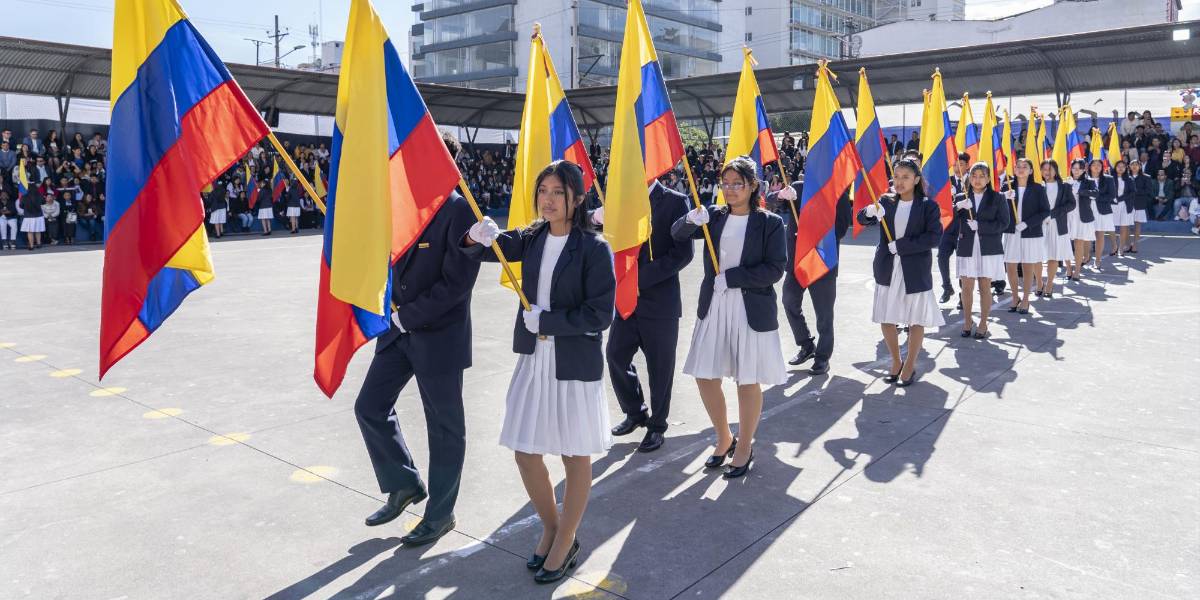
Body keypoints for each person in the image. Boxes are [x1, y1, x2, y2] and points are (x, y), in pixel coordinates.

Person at [462, 160, 615, 584]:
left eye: (557, 193)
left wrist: (549, 321)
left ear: (578, 199)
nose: (547, 200)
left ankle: (565, 539)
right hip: (534, 358)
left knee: (573, 453)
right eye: (543, 191)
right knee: (526, 452)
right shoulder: (531, 238)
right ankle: (551, 525)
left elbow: (600, 314)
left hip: (572, 362)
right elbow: (485, 248)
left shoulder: (595, 248)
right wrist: (476, 234)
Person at [353, 134, 482, 548]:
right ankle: (404, 483)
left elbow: (456, 285)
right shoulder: (399, 204)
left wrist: (406, 316)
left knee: (445, 429)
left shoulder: (459, 211)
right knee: (369, 406)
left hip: (436, 336)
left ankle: (440, 514)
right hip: (397, 333)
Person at [672, 156, 787, 479]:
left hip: (750, 308)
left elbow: (775, 269)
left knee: (747, 379)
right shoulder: (715, 217)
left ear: (752, 186)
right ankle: (724, 436)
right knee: (705, 375)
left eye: (738, 184)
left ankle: (744, 445)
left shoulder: (770, 223)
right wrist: (691, 219)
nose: (730, 190)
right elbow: (678, 234)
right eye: (726, 184)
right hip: (715, 306)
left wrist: (734, 278)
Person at [596, 178, 693, 453]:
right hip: (626, 300)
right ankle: (636, 412)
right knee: (615, 354)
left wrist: (640, 278)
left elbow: (682, 254)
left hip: (660, 302)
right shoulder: (620, 201)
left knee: (660, 369)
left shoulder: (675, 201)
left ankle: (657, 426)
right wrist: (596, 218)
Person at [857, 158, 944, 385]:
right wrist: (867, 212)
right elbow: (863, 219)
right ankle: (896, 361)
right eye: (896, 177)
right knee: (886, 317)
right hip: (888, 267)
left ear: (916, 180)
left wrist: (903, 246)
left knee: (916, 319)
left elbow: (934, 237)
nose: (900, 182)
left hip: (914, 270)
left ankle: (910, 365)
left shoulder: (927, 206)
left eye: (905, 177)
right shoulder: (886, 201)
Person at [767, 177, 851, 375]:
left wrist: (812, 230)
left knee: (824, 314)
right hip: (798, 261)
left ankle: (823, 358)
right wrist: (780, 195)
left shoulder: (839, 195)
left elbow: (841, 228)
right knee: (789, 301)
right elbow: (769, 201)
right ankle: (806, 345)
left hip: (823, 261)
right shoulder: (799, 187)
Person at [954, 162, 1009, 338]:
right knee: (967, 287)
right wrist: (958, 207)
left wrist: (981, 226)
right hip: (967, 247)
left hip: (988, 248)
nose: (977, 180)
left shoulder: (997, 198)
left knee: (985, 286)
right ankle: (967, 321)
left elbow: (1004, 223)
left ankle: (984, 323)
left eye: (981, 176)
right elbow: (948, 220)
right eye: (974, 176)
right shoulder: (962, 196)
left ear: (988, 178)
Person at [1001, 158, 1050, 314]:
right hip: (1011, 231)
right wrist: (1004, 198)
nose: (1021, 169)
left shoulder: (1038, 189)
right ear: (1014, 170)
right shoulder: (1007, 187)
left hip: (1030, 232)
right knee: (1011, 265)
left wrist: (1027, 223)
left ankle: (1026, 299)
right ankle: (1015, 297)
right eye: (1018, 166)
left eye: (1025, 167)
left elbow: (1045, 211)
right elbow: (997, 208)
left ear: (1031, 170)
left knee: (1028, 264)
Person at [1038, 160, 1075, 298]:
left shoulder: (1064, 186)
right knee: (1037, 257)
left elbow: (1071, 204)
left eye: (1050, 169)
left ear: (1056, 170)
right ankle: (1040, 282)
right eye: (1044, 169)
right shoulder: (1038, 187)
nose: (1047, 172)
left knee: (1052, 256)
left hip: (1057, 225)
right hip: (1039, 225)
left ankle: (1049, 284)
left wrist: (1054, 213)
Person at [939, 152, 970, 303]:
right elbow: (940, 205)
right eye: (955, 165)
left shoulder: (973, 180)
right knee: (942, 257)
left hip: (965, 228)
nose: (957, 168)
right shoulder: (947, 182)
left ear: (967, 165)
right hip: (948, 227)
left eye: (961, 164)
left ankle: (963, 295)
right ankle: (947, 287)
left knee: (962, 262)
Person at [1087, 159, 1116, 268]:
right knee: (1088, 236)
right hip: (1088, 209)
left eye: (1098, 165)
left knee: (1099, 235)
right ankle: (1087, 257)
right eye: (1093, 165)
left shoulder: (1108, 179)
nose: (1096, 167)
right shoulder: (1085, 179)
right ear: (1089, 167)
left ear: (1102, 167)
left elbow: (1112, 195)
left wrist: (1097, 197)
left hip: (1102, 210)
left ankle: (1098, 260)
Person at [1108, 160, 1134, 257]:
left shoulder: (1129, 179)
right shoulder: (1110, 178)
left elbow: (1132, 192)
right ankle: (1114, 246)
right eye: (1119, 166)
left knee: (1123, 226)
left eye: (1123, 166)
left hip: (1125, 205)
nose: (1120, 168)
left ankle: (1121, 248)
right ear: (1115, 167)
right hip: (1112, 205)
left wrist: (1121, 198)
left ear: (1126, 168)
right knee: (1111, 227)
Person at [1128, 160, 1151, 252]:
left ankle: (1135, 245)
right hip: (1127, 204)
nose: (1134, 166)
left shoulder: (1146, 177)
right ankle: (1128, 244)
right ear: (1129, 166)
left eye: (1136, 165)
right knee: (1126, 226)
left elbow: (1148, 191)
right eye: (1132, 164)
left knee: (1137, 225)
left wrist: (1135, 191)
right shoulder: (1126, 177)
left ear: (1140, 166)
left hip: (1139, 204)